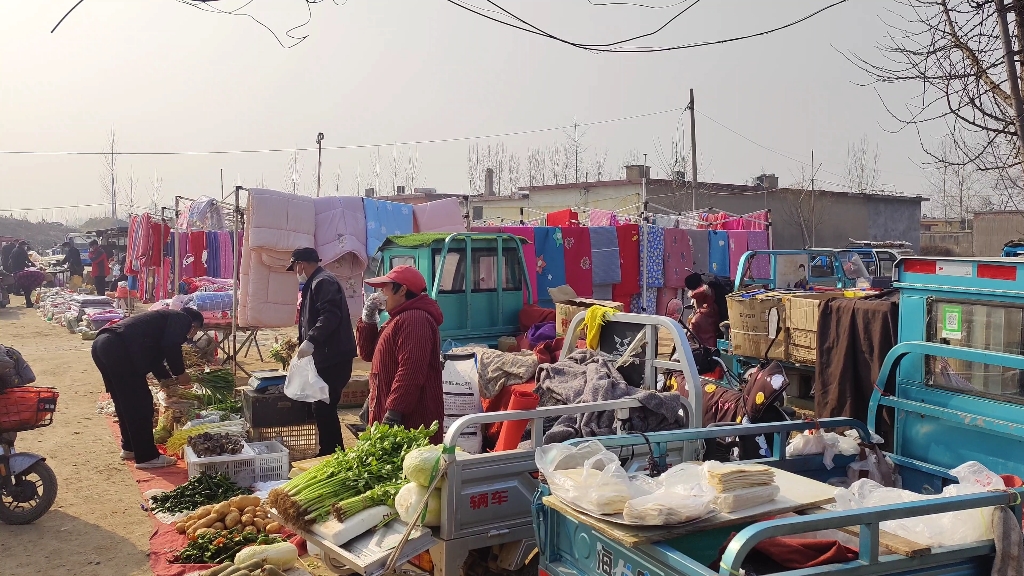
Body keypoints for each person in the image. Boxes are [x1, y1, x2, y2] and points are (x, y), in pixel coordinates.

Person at [90, 307, 205, 469]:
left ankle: (130, 447)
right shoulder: (182, 319)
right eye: (195, 331)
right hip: (117, 349)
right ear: (194, 325)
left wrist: (166, 381)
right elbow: (171, 345)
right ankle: (147, 456)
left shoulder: (163, 320)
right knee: (140, 403)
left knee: (125, 402)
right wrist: (180, 373)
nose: (190, 335)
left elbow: (154, 358)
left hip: (101, 345)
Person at [356, 265, 444, 445]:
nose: (380, 293)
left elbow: (411, 370)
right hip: (387, 409)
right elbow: (367, 354)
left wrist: (394, 413)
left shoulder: (415, 319)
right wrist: (368, 318)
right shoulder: (396, 319)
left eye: (385, 288)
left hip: (410, 420)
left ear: (402, 289)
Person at [287, 247, 357, 456]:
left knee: (324, 405)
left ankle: (332, 452)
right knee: (323, 405)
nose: (296, 272)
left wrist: (311, 340)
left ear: (301, 264)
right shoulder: (317, 281)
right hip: (327, 356)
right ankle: (331, 450)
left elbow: (330, 315)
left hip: (333, 357)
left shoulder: (323, 281)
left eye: (295, 267)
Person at [684, 272, 720, 348]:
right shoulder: (710, 290)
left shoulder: (699, 316)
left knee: (690, 334)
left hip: (702, 317)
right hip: (712, 316)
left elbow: (689, 336)